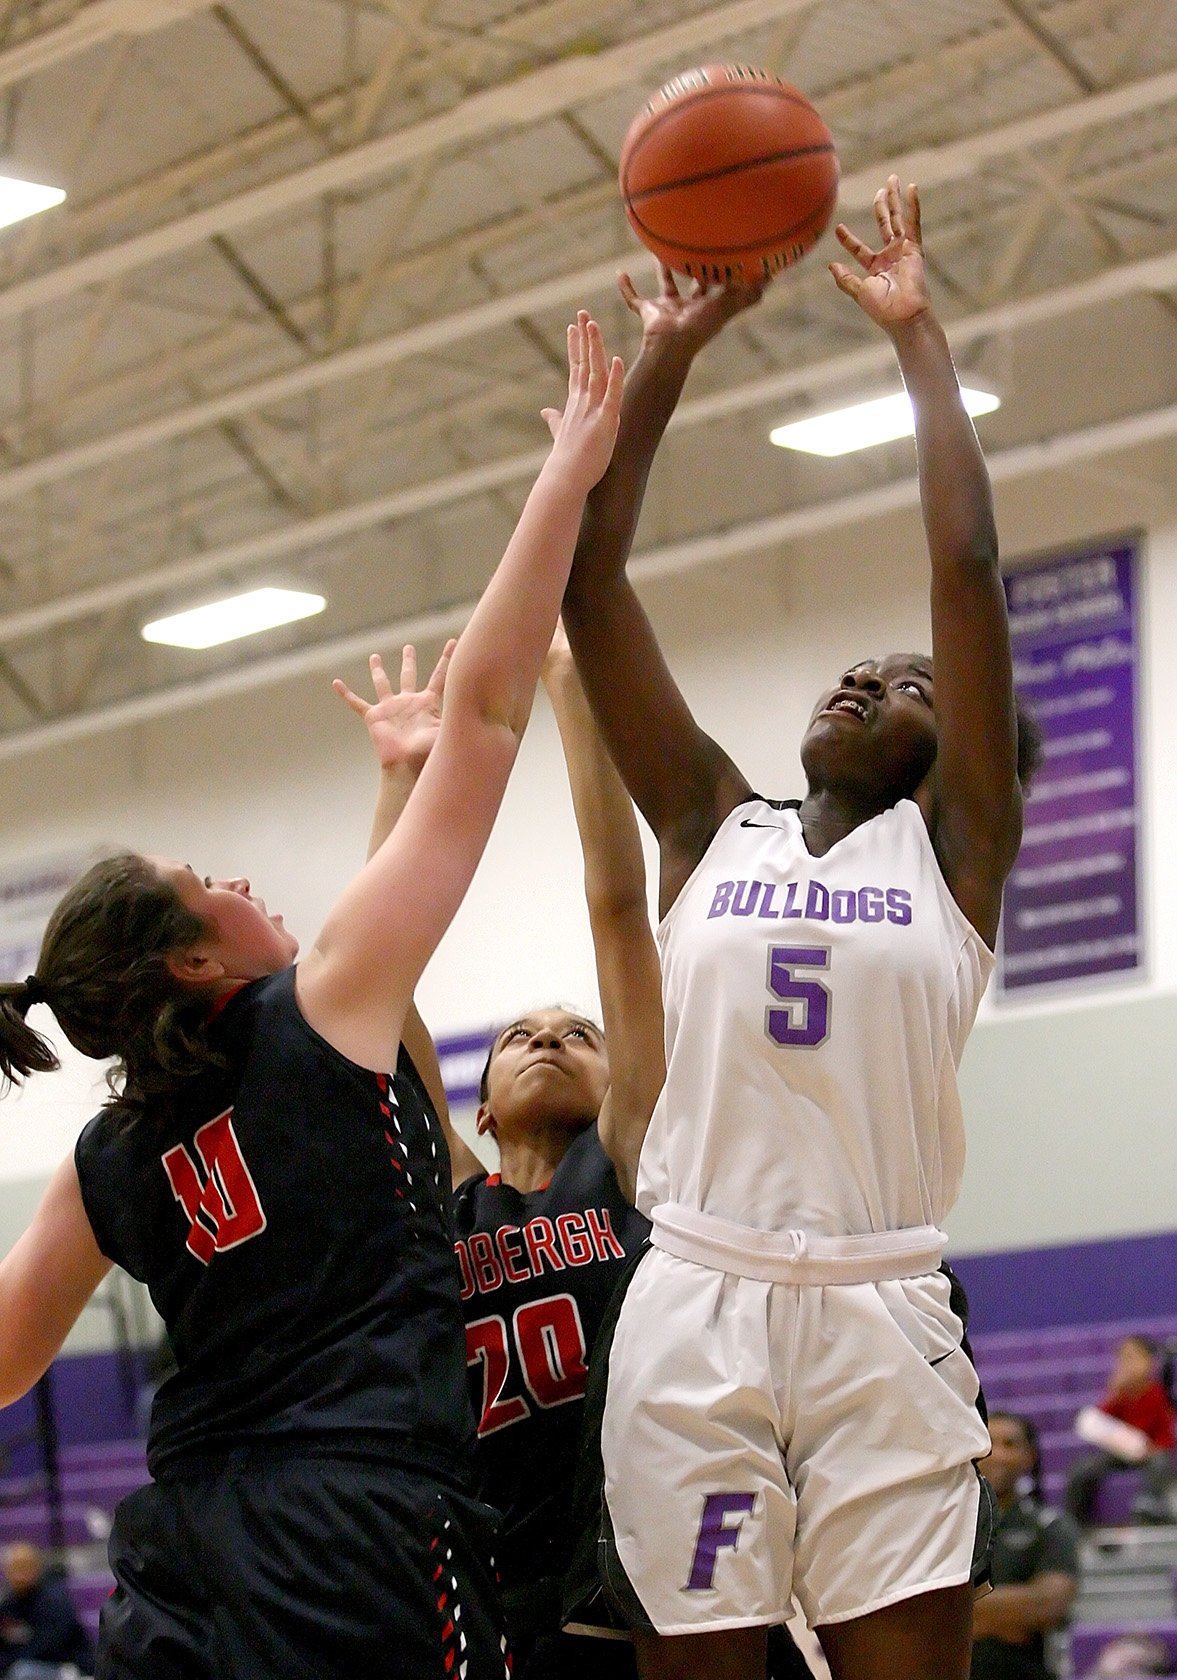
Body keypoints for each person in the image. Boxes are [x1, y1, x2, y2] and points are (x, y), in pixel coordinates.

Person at [0, 313, 624, 1680]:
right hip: (368, 1529)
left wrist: (392, 788)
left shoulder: (106, 1155)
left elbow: (0, 1362)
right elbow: (493, 718)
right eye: (211, 878)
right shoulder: (319, 1007)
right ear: (193, 960)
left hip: (187, 1547)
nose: (244, 881)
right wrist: (560, 484)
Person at [561, 176, 1041, 1680]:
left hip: (880, 1303)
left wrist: (914, 337)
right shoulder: (712, 823)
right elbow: (588, 576)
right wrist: (672, 349)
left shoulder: (956, 856)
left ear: (955, 741)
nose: (865, 683)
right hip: (697, 1295)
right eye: (856, 669)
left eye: (906, 687)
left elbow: (962, 573)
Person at [337, 627, 659, 1680]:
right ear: (474, 1114)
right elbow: (378, 985)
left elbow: (619, 911)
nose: (551, 1040)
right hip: (483, 1569)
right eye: (521, 1035)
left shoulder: (632, 1161)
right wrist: (402, 781)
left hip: (630, 1566)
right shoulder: (454, 1199)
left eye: (578, 1033)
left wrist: (570, 685)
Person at [970, 1413, 1079, 1680]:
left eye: (1010, 1444)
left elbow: (1049, 1604)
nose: (998, 1455)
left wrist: (960, 1618)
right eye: (989, 1444)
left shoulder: (1051, 1526)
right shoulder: (948, 1528)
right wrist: (1010, 1619)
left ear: (1029, 1456)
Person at [1065, 1335, 1176, 1526]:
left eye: (1133, 1357)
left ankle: (1148, 1512)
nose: (1128, 1364)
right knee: (1084, 1469)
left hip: (1154, 1452)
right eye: (1123, 1359)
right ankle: (1077, 1522)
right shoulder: (1120, 1394)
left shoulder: (1158, 1392)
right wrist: (1113, 1394)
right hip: (1122, 1454)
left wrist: (1154, 1449)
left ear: (1150, 1361)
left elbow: (1165, 1433)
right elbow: (1101, 1422)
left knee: (1160, 1464)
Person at [0, 1542, 93, 1677]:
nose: (20, 1573)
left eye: (25, 1566)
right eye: (15, 1568)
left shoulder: (55, 1601)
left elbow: (49, 1648)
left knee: (23, 1672)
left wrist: (10, 1660)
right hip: (24, 1664)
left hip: (68, 1668)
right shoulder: (8, 1606)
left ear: (37, 1567)